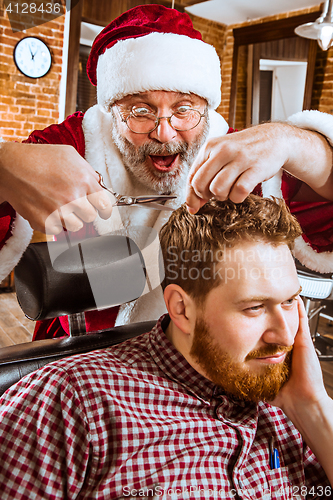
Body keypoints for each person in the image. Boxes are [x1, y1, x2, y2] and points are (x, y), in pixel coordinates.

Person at [0, 5, 332, 340]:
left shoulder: (231, 151)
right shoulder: (75, 141)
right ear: (112, 110)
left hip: (198, 354)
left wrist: (294, 142)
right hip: (83, 346)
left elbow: (321, 215)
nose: (165, 133)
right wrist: (5, 163)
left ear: (205, 106)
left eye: (184, 109)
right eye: (140, 111)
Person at [0, 195, 332, 499]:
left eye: (290, 301)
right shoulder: (72, 401)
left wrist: (314, 408)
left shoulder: (289, 391)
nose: (285, 336)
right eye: (254, 308)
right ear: (182, 309)